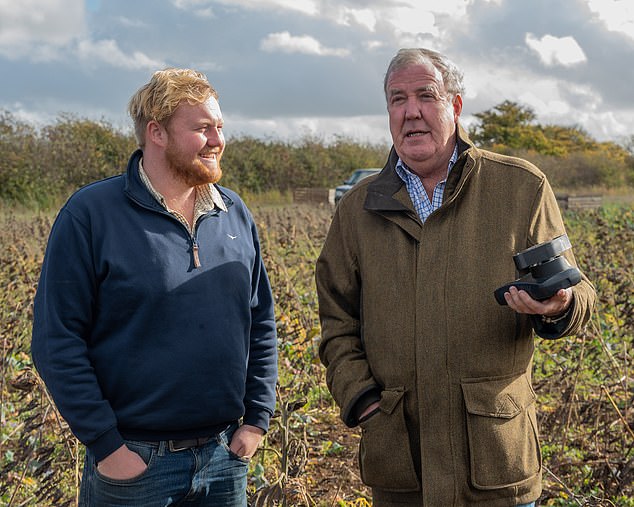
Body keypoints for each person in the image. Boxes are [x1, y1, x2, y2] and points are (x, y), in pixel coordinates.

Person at [315, 48, 595, 506]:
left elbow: (578, 290)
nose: (411, 112)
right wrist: (365, 402)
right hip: (401, 465)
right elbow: (335, 321)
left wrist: (559, 305)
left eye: (426, 95)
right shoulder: (356, 209)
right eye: (397, 99)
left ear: (456, 106)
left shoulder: (520, 187)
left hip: (496, 463)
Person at [31, 68, 278, 506]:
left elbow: (261, 322)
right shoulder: (91, 215)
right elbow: (56, 339)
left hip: (224, 460)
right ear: (157, 132)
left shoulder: (234, 212)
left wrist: (256, 420)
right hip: (134, 467)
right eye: (202, 128)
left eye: (219, 127)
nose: (217, 140)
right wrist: (108, 447)